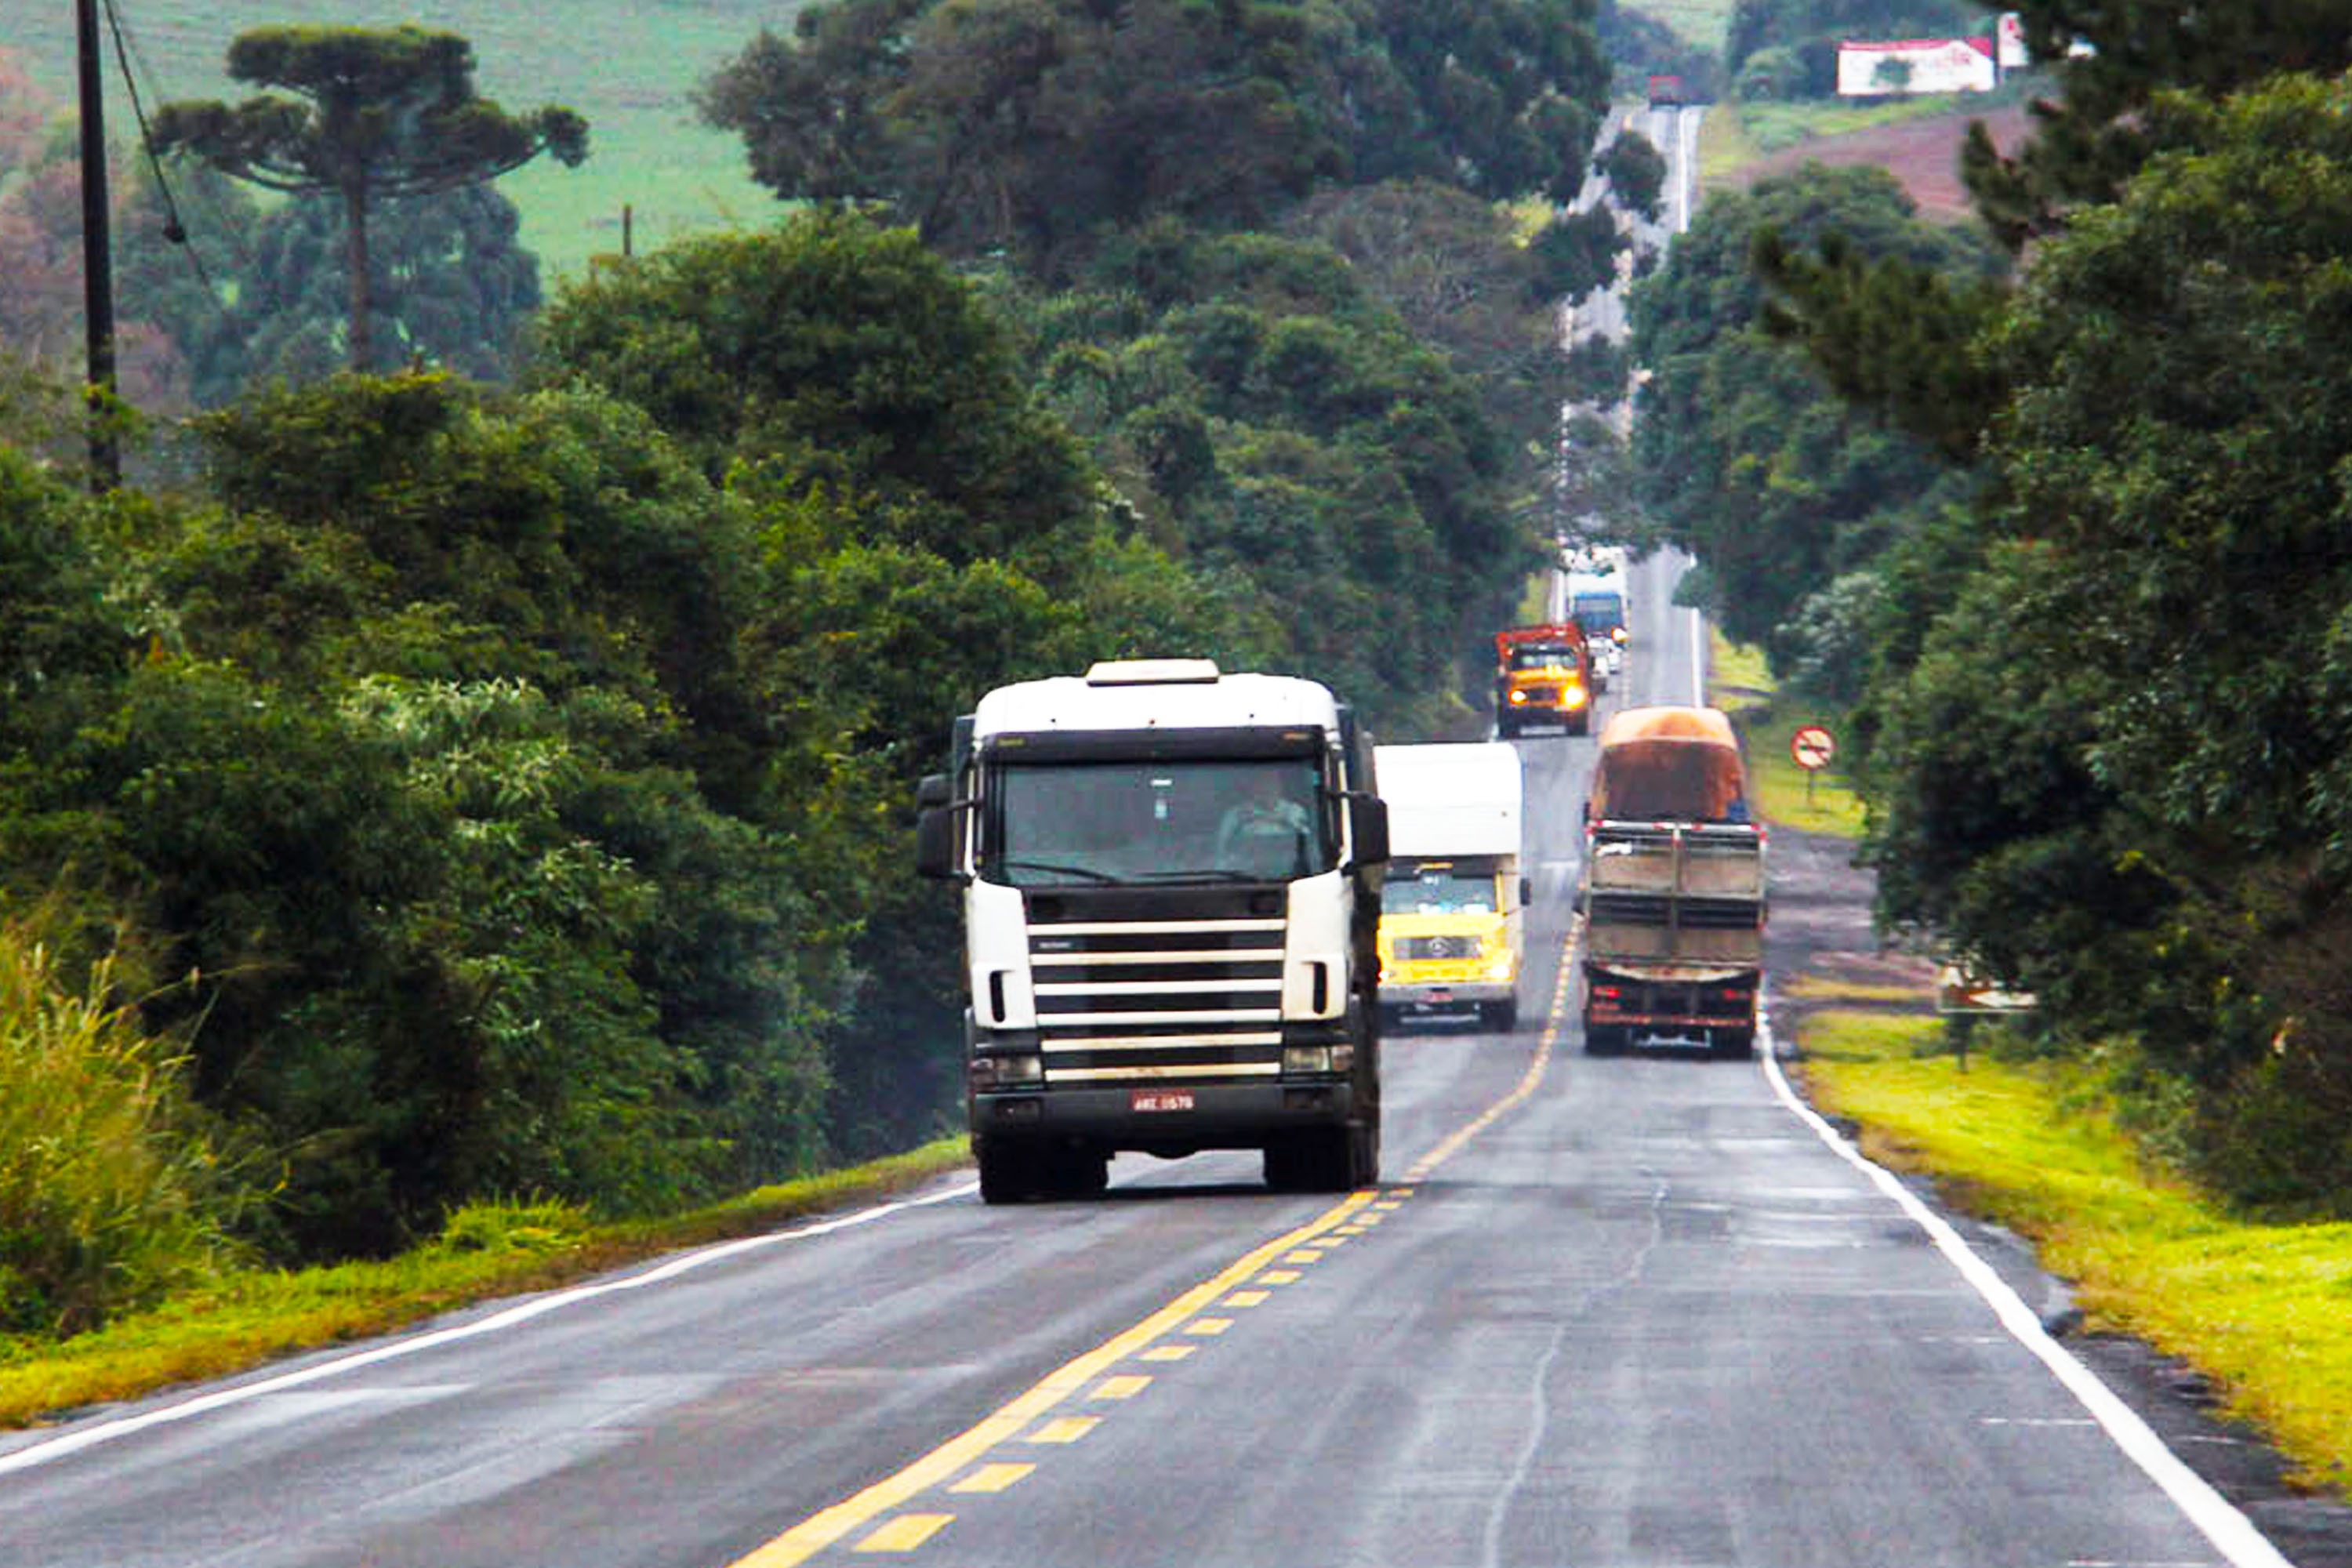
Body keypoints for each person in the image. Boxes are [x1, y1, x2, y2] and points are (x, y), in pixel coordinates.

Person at [1215, 772, 1314, 874]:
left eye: (1271, 783)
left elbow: (1306, 841)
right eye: (1261, 784)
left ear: (1280, 786)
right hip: (1247, 871)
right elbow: (1222, 848)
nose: (1267, 788)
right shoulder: (1236, 814)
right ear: (1251, 788)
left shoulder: (1294, 811)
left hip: (1287, 870)